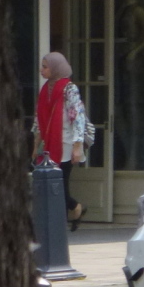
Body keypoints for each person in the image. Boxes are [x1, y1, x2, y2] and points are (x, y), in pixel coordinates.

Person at [32, 52, 88, 229]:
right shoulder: (45, 90)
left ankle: (58, 225)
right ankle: (74, 209)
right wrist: (36, 145)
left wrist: (78, 146)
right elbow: (39, 119)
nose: (41, 70)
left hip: (65, 143)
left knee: (59, 184)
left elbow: (78, 117)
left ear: (55, 68)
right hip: (47, 144)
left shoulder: (69, 89)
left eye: (45, 66)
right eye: (42, 66)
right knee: (53, 184)